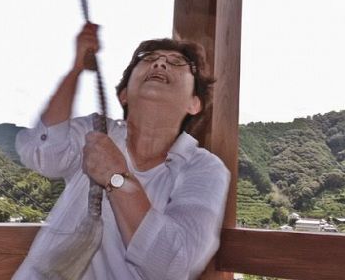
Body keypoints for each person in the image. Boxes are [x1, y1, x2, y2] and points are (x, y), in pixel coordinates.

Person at [13, 23, 231, 280]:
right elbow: (41, 153)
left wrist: (117, 177)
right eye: (148, 59)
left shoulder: (205, 169)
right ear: (124, 95)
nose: (160, 64)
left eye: (177, 62)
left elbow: (176, 265)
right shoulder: (95, 131)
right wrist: (75, 70)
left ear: (195, 103)